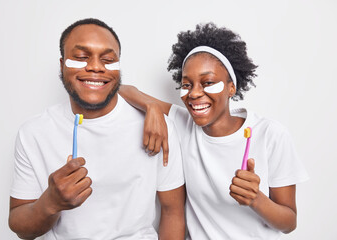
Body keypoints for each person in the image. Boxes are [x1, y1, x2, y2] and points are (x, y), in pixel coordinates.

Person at [119, 23, 309, 239]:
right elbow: (122, 89)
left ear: (231, 87)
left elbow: (289, 223)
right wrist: (151, 107)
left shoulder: (270, 134)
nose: (194, 93)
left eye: (208, 82)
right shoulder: (182, 124)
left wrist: (256, 199)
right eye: (187, 84)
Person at [8, 18, 185, 240]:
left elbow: (173, 212)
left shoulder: (157, 127)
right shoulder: (33, 133)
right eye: (81, 57)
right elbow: (20, 226)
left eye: (108, 59)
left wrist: (151, 106)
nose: (95, 66)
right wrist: (50, 203)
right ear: (62, 64)